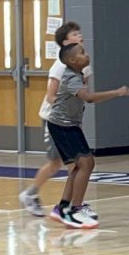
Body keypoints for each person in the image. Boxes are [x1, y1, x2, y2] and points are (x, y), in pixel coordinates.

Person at [45, 43, 129, 229]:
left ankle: (63, 207)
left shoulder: (78, 74)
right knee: (87, 163)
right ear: (72, 60)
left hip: (67, 125)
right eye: (82, 53)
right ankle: (75, 210)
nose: (87, 54)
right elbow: (89, 98)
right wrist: (117, 92)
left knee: (79, 165)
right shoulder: (71, 77)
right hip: (63, 126)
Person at [19, 21, 91, 220]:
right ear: (66, 41)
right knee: (60, 163)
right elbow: (51, 95)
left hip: (70, 121)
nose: (80, 36)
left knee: (71, 163)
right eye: (76, 34)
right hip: (56, 120)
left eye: (80, 32)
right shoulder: (60, 65)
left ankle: (67, 206)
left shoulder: (83, 63)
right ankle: (35, 196)